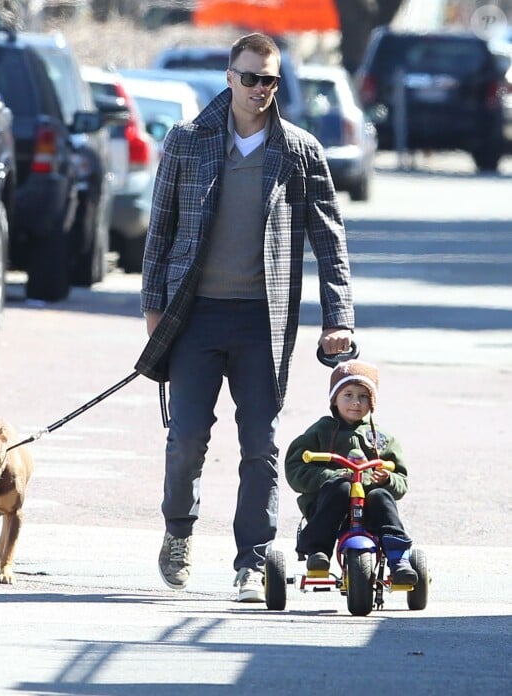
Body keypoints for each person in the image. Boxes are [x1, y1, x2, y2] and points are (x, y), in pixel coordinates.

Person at [135, 32, 354, 602]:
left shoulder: (300, 151)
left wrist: (339, 319)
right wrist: (154, 312)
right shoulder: (188, 141)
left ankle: (253, 560)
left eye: (270, 80)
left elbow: (329, 243)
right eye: (250, 77)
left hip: (263, 322)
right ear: (230, 77)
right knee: (186, 439)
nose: (260, 89)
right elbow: (159, 235)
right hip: (195, 318)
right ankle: (178, 532)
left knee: (261, 444)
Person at [284, 360, 418, 584]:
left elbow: (401, 479)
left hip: (369, 508)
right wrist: (330, 476)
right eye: (348, 394)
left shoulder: (382, 438)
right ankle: (318, 552)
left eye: (363, 396)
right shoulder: (320, 431)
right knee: (341, 488)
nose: (356, 402)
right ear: (334, 399)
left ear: (372, 401)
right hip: (329, 505)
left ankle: (398, 558)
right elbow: (296, 466)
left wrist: (387, 479)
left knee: (381, 496)